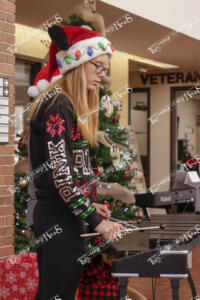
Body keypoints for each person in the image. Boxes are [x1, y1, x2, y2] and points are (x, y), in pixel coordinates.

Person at [27, 25, 124, 300]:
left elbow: (63, 173)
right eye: (98, 67)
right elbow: (60, 174)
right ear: (79, 64)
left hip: (61, 216)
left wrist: (88, 204)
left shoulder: (64, 104)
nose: (102, 76)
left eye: (105, 69)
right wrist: (96, 221)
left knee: (53, 294)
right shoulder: (59, 106)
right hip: (57, 220)